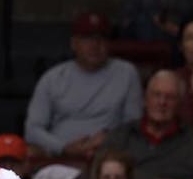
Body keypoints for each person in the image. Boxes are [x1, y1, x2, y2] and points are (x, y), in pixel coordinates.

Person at [24, 11, 142, 158]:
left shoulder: (126, 73)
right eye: (87, 39)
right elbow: (32, 129)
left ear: (109, 43)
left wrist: (109, 138)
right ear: (74, 43)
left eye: (101, 39)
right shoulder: (53, 78)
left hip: (108, 156)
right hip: (57, 156)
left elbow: (135, 124)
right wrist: (63, 147)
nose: (95, 45)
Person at [98, 70, 193, 179]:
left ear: (180, 104)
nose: (162, 102)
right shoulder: (119, 136)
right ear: (145, 100)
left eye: (170, 97)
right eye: (156, 95)